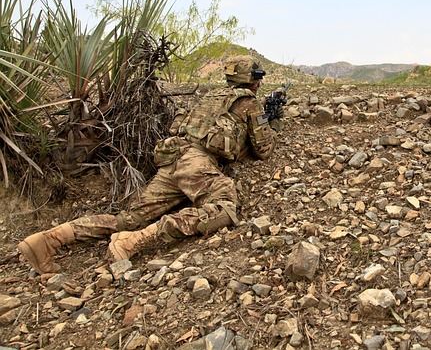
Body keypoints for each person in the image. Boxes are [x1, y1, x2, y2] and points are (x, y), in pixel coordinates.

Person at [18, 55, 279, 275]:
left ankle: (50, 239)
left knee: (130, 217)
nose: (259, 81)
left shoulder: (211, 96)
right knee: (225, 208)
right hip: (197, 164)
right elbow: (263, 150)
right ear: (251, 78)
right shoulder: (247, 101)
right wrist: (272, 122)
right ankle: (133, 242)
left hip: (172, 160)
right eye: (258, 76)